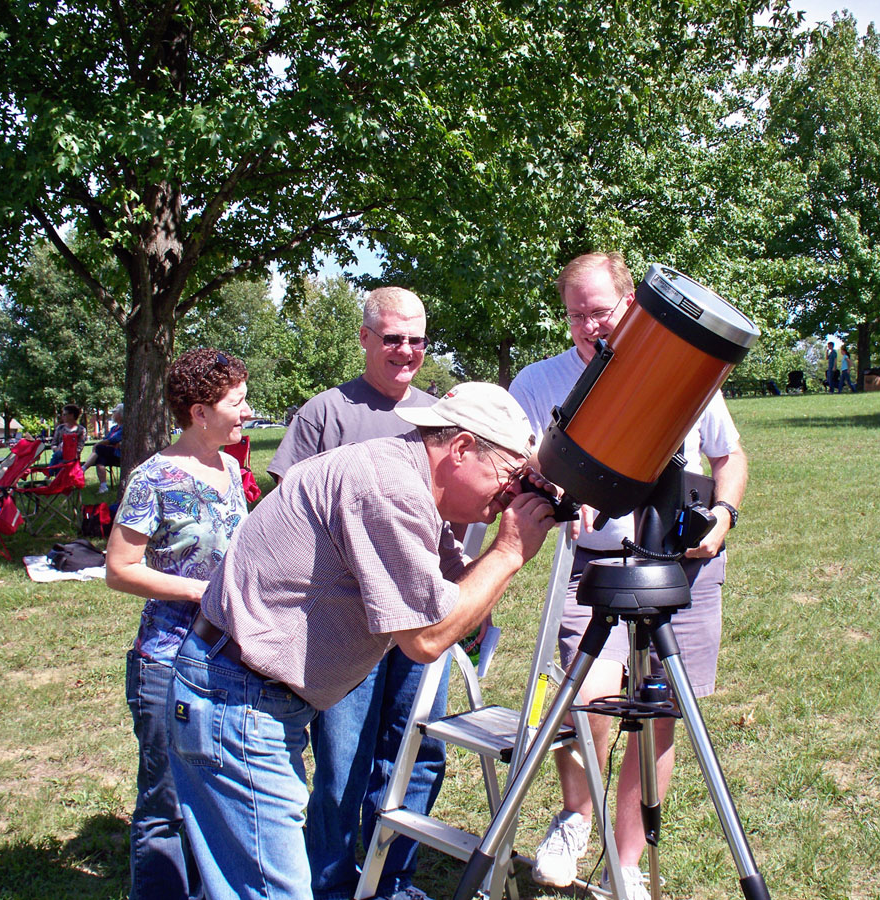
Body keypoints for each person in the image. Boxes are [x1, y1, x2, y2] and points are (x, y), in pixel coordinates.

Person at [167, 383, 556, 900]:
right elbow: (425, 637)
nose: (508, 497)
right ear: (461, 448)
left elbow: (450, 582)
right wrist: (508, 553)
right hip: (237, 698)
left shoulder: (404, 475)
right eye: (509, 480)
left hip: (248, 694)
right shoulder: (388, 488)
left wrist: (487, 576)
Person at [508, 252, 748, 900]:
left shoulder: (681, 370)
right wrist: (562, 476)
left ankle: (628, 861)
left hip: (680, 565)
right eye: (577, 314)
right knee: (586, 697)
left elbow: (729, 455)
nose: (590, 326)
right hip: (598, 563)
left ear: (633, 310)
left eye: (602, 311)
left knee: (661, 710)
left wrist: (722, 515)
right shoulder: (539, 381)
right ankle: (576, 817)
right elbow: (518, 457)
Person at [267, 288, 445, 900]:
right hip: (349, 622)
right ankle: (336, 884)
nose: (406, 351)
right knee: (344, 763)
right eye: (393, 338)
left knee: (419, 752)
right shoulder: (325, 413)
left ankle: (392, 880)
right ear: (365, 338)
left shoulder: (440, 416)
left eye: (417, 339)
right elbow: (290, 516)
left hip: (424, 612)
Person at [105, 349, 252, 900]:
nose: (246, 412)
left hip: (223, 662)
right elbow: (119, 569)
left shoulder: (230, 468)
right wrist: (200, 592)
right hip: (166, 663)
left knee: (213, 796)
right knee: (165, 805)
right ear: (198, 411)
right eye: (236, 402)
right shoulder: (154, 477)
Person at [82, 403, 123, 494]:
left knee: (99, 448)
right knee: (100, 458)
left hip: (119, 454)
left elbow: (112, 440)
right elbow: (107, 440)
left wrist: (99, 444)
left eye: (114, 413)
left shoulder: (124, 428)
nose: (113, 415)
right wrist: (107, 443)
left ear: (120, 415)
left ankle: (83, 469)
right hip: (110, 452)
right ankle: (103, 486)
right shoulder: (114, 428)